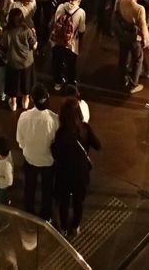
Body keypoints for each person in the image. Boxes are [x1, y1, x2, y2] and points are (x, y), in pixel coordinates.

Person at [51, 96, 101, 237]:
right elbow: (98, 145)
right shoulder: (85, 128)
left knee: (64, 202)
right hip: (81, 172)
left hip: (64, 173)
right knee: (78, 201)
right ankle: (76, 226)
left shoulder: (61, 133)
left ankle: (64, 228)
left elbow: (56, 153)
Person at [16, 83, 59, 221]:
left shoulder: (23, 116)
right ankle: (46, 216)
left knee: (29, 187)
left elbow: (20, 141)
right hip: (48, 160)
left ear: (32, 99)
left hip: (30, 158)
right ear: (47, 97)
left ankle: (28, 213)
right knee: (47, 189)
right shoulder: (54, 119)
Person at [112, 0, 149, 94]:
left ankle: (122, 79)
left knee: (123, 56)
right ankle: (133, 85)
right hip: (134, 37)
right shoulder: (139, 8)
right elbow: (143, 26)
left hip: (122, 34)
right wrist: (146, 39)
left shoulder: (119, 0)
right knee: (138, 59)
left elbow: (116, 13)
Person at [50, 0, 86, 91]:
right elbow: (81, 30)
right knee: (71, 64)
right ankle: (70, 83)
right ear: (79, 0)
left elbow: (55, 21)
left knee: (57, 61)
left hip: (57, 40)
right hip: (71, 43)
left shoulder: (61, 7)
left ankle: (57, 83)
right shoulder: (81, 12)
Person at [2, 7, 36, 112]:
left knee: (13, 83)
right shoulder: (26, 30)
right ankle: (25, 100)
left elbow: (4, 46)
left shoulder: (7, 32)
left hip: (13, 62)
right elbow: (33, 45)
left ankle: (13, 103)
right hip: (27, 62)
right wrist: (34, 34)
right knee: (26, 81)